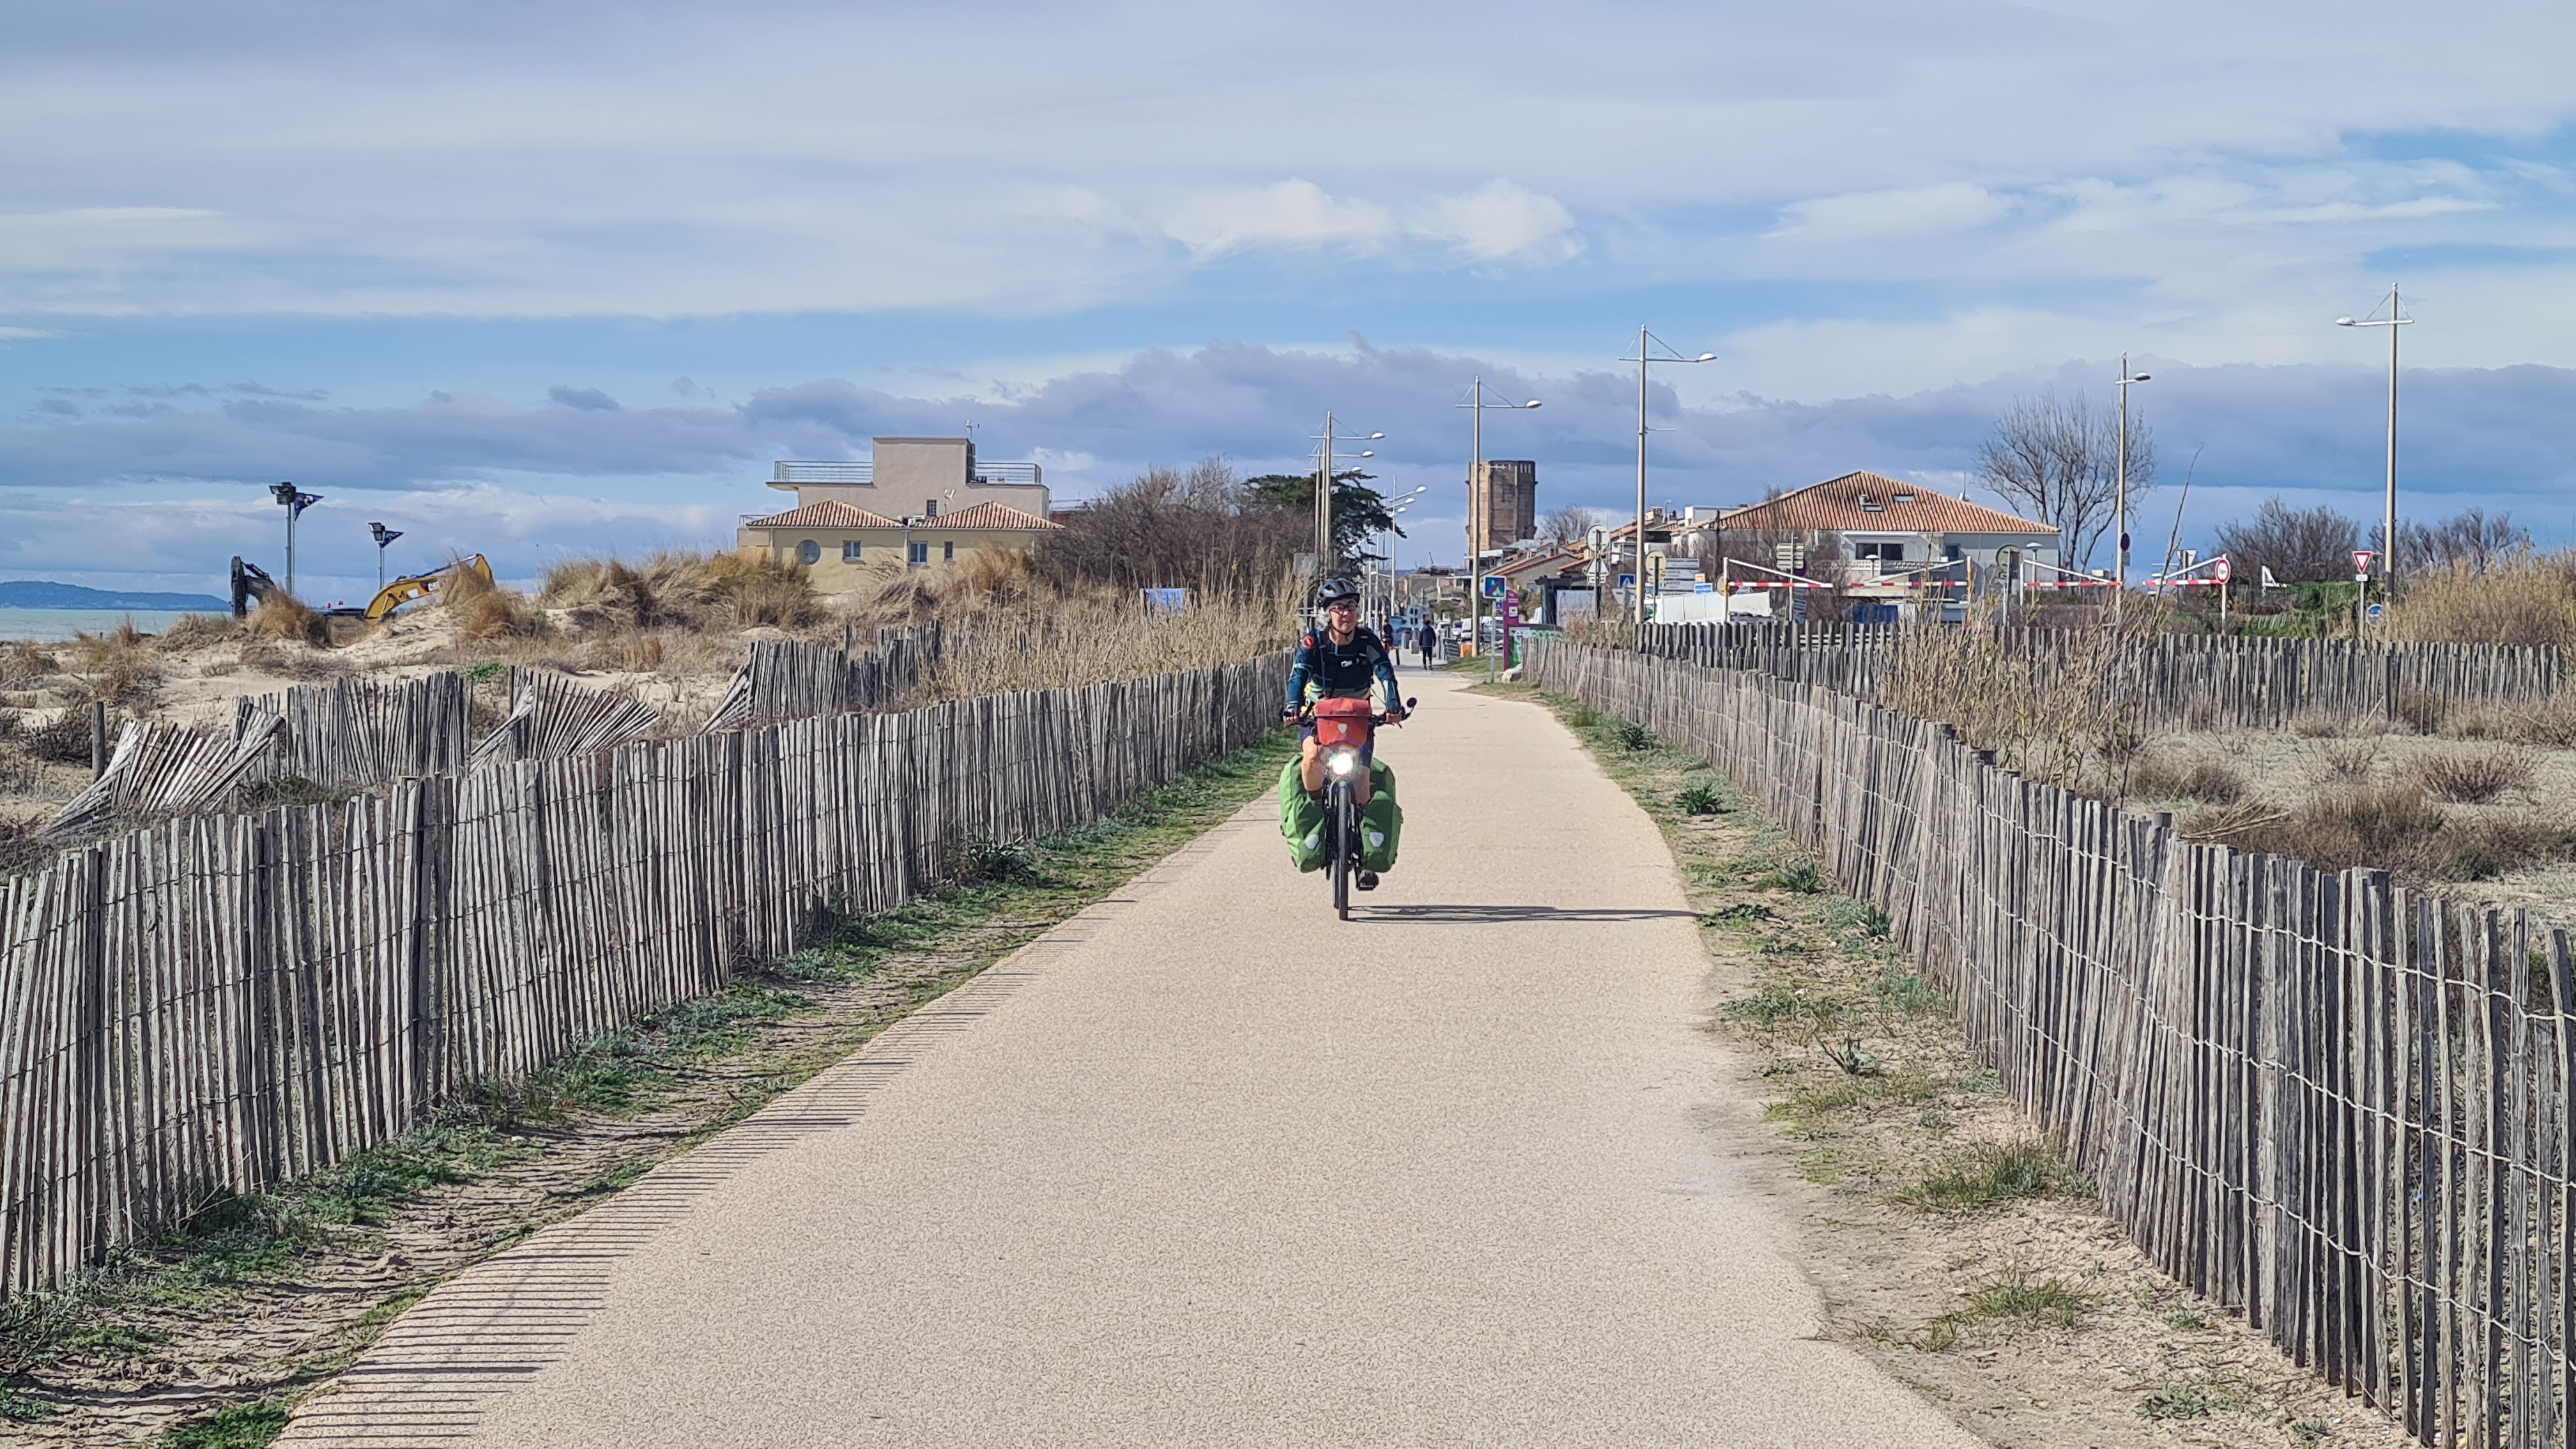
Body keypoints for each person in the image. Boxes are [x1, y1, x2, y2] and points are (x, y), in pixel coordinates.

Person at [1282, 579, 1407, 887]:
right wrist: (1291, 706)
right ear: (1327, 613)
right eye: (1338, 608)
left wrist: (1393, 705)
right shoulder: (1314, 644)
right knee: (1311, 759)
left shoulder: (1367, 640)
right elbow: (1298, 676)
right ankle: (1314, 820)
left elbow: (1386, 674)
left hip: (1357, 723)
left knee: (1362, 780)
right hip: (1319, 721)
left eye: (1351, 607)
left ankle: (1366, 860)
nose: (1345, 614)